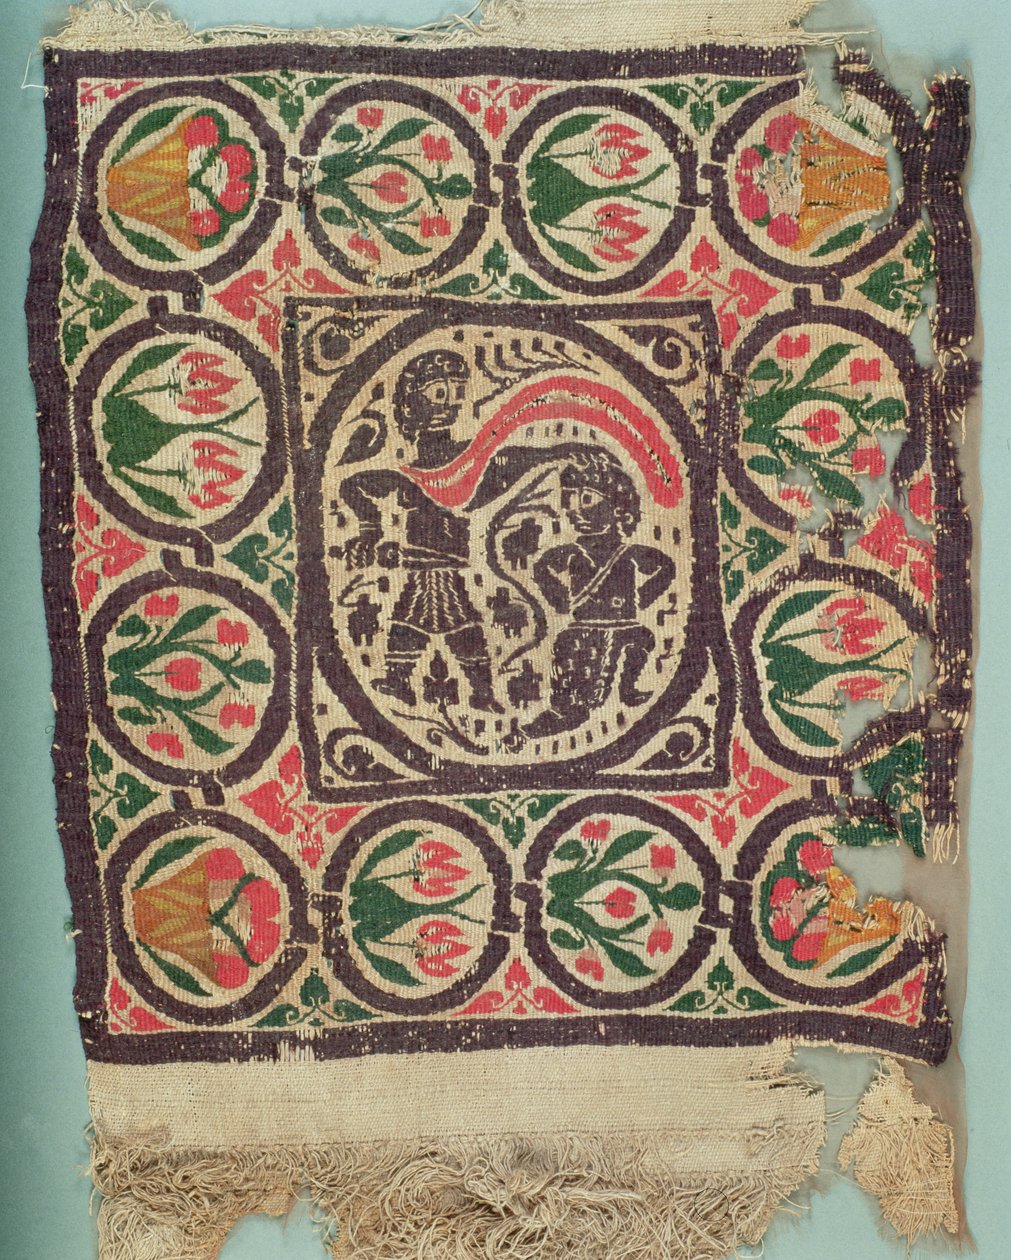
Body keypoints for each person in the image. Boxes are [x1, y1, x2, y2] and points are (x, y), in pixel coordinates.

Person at [339, 350, 503, 712]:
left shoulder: (466, 462)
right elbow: (352, 485)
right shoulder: (409, 475)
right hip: (425, 563)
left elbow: (508, 459)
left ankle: (477, 691)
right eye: (438, 392)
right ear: (413, 402)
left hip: (439, 564)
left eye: (457, 392)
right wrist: (369, 529)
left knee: (439, 616)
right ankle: (469, 690)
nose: (451, 404)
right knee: (424, 616)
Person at [521, 448, 676, 740]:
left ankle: (628, 689)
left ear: (617, 507)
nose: (573, 510)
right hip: (583, 626)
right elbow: (541, 567)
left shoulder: (628, 552)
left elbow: (666, 567)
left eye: (586, 499)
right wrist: (559, 598)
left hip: (624, 624)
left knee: (644, 638)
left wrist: (640, 598)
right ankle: (564, 710)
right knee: (571, 655)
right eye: (568, 501)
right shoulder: (572, 552)